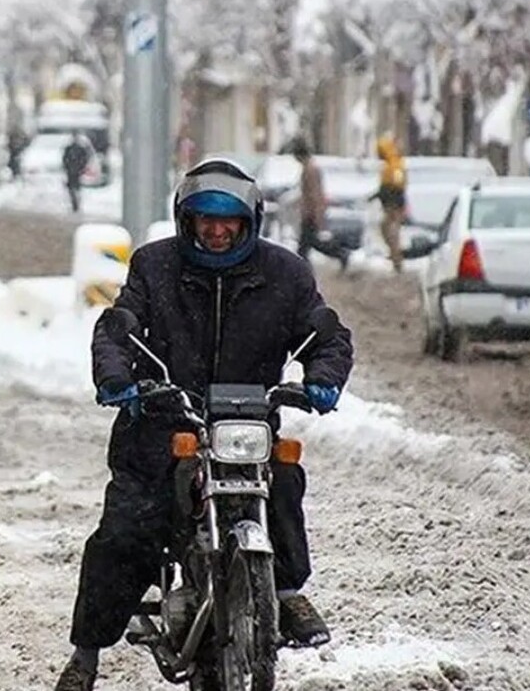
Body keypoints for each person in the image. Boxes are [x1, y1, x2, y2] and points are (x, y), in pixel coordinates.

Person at [54, 157, 354, 691]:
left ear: (249, 221)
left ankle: (284, 594)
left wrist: (322, 377)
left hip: (248, 421)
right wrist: (118, 376)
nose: (217, 231)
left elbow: (326, 334)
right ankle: (86, 654)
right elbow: (119, 325)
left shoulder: (286, 274)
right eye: (205, 220)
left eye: (229, 220)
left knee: (283, 481)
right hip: (163, 423)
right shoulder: (155, 266)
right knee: (128, 529)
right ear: (186, 220)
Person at [289, 137, 351, 270]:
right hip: (309, 213)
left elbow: (315, 195)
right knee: (309, 245)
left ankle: (340, 254)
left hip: (310, 214)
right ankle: (339, 255)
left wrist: (317, 216)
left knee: (307, 246)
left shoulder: (311, 169)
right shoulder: (309, 168)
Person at [373, 134, 408, 273]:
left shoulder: (394, 164)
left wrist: (389, 202)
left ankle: (396, 257)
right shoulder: (391, 163)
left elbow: (395, 187)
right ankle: (395, 256)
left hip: (392, 205)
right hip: (392, 204)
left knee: (391, 231)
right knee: (388, 230)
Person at [62, 131, 91, 213]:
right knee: (73, 188)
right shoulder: (70, 148)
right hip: (72, 171)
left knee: (75, 187)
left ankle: (76, 203)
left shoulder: (79, 149)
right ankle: (74, 203)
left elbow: (84, 158)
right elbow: (65, 159)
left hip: (76, 170)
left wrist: (81, 167)